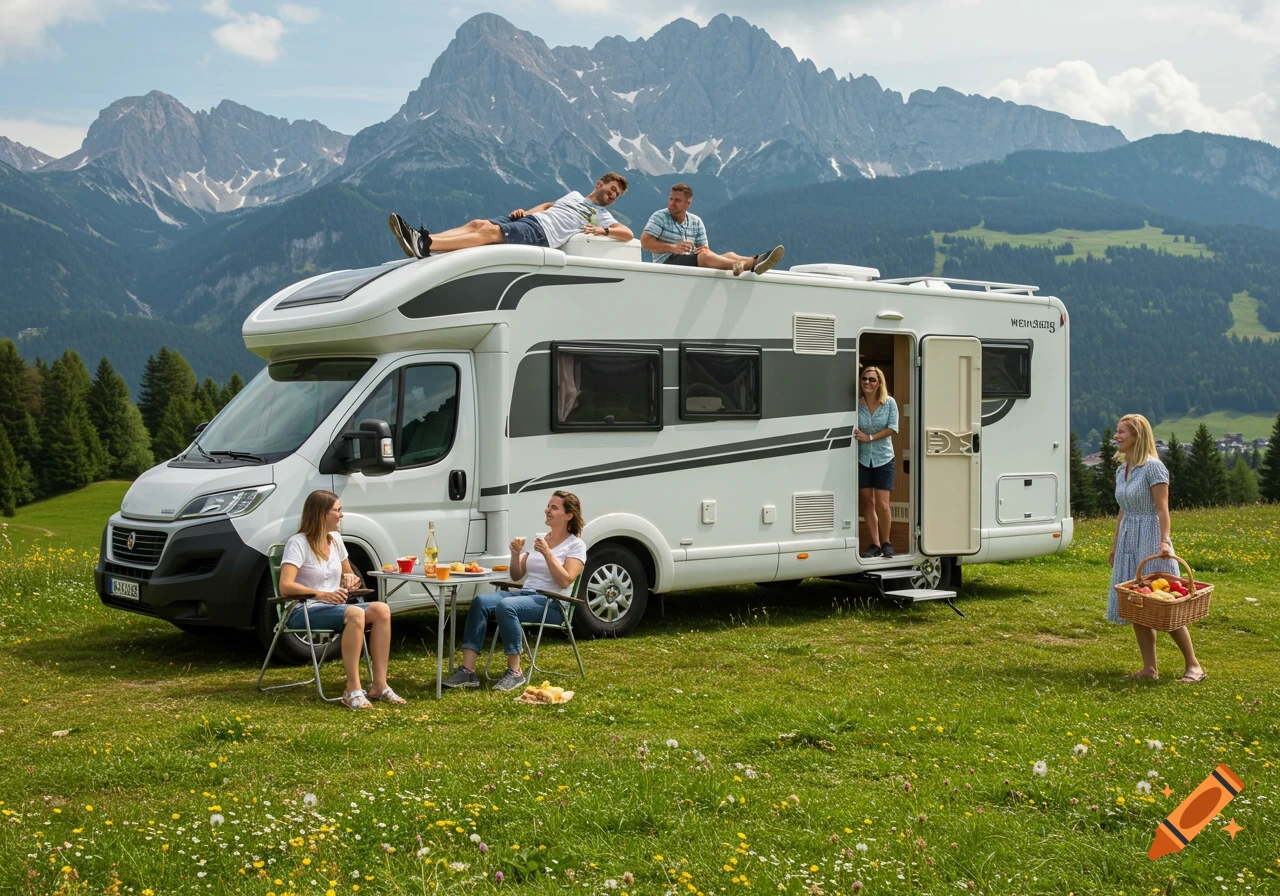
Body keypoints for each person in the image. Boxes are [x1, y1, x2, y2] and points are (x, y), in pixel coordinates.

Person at [443, 490, 587, 693]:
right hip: (526, 595)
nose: (547, 510)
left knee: (506, 606)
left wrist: (547, 553)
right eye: (548, 506)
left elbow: (565, 580)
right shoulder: (542, 538)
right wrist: (515, 554)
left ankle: (515, 672)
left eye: (554, 507)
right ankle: (468, 671)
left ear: (569, 515)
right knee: (480, 601)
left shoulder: (575, 545)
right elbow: (517, 575)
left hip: (552, 603)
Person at [277, 489, 406, 710]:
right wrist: (322, 594)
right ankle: (352, 690)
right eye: (337, 510)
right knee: (355, 613)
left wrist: (350, 580)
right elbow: (285, 586)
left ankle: (379, 685)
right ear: (321, 514)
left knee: (382, 609)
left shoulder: (335, 540)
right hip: (303, 610)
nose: (341, 515)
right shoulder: (298, 543)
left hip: (334, 608)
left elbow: (350, 575)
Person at [1107, 414, 1206, 682]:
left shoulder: (1154, 468)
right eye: (1117, 432)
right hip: (1129, 538)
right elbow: (1122, 511)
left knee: (1165, 607)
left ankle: (1194, 665)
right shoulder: (1121, 470)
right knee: (1136, 602)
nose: (1116, 436)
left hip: (1151, 538)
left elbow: (1163, 510)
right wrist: (1115, 545)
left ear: (1137, 436)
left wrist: (1165, 540)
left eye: (1122, 432)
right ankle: (1149, 669)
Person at [389, 174, 634, 258]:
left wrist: (604, 231)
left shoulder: (601, 215)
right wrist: (526, 212)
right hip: (531, 220)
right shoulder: (575, 195)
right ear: (599, 183)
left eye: (618, 195)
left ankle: (426, 245)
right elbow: (549, 205)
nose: (613, 195)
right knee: (478, 223)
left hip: (542, 234)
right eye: (612, 189)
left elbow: (628, 233)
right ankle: (425, 237)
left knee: (487, 233)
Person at [640, 183, 784, 276]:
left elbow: (704, 249)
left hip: (688, 264)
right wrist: (673, 248)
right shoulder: (660, 216)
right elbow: (645, 243)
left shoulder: (696, 222)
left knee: (728, 253)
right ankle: (749, 264)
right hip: (665, 265)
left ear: (687, 204)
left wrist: (702, 249)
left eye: (677, 201)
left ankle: (758, 259)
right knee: (706, 257)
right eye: (671, 199)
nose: (672, 203)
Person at [854, 366, 899, 558]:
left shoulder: (889, 403)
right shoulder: (857, 404)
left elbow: (893, 428)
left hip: (884, 458)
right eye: (864, 379)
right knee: (868, 502)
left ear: (879, 382)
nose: (867, 383)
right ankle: (875, 544)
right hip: (863, 459)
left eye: (872, 379)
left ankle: (887, 541)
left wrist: (869, 438)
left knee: (882, 504)